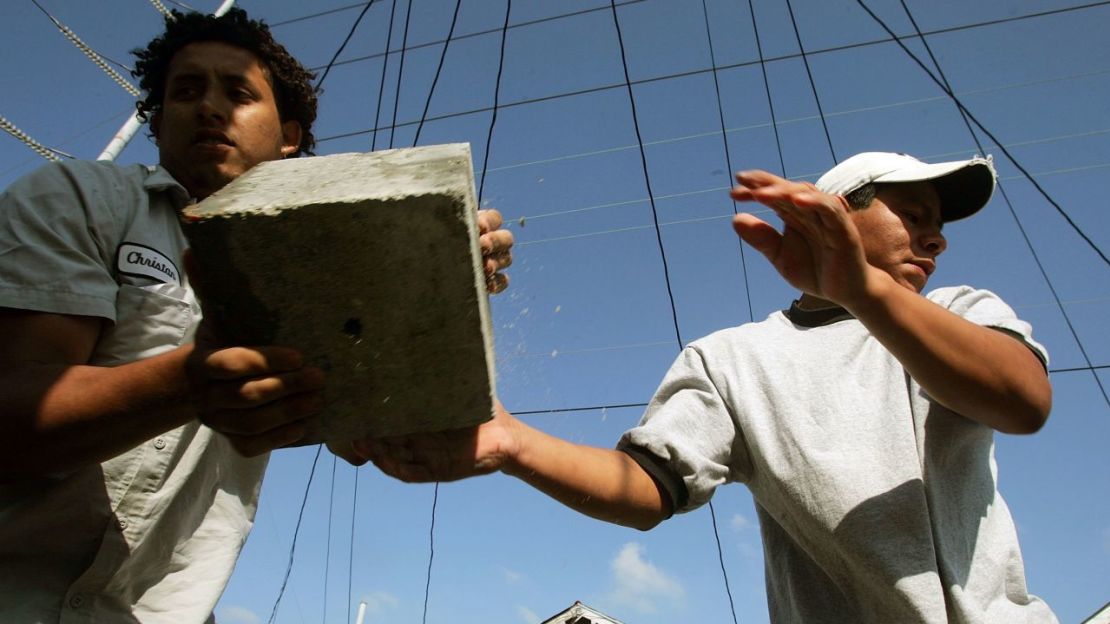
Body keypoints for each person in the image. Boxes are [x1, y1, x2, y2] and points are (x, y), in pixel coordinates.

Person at [357, 152, 1057, 623]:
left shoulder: (959, 314)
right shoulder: (734, 360)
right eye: (916, 214)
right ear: (832, 213)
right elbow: (647, 488)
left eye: (939, 226)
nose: (936, 240)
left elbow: (1023, 400)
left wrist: (864, 291)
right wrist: (512, 443)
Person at [0, 8, 512, 623]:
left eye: (238, 94)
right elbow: (16, 412)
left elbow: (378, 436)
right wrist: (188, 385)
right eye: (186, 91)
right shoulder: (83, 199)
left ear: (288, 135)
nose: (211, 108)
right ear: (158, 123)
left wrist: (435, 285)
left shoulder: (323, 267)